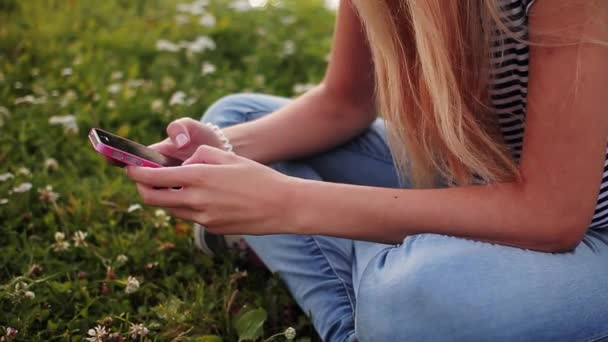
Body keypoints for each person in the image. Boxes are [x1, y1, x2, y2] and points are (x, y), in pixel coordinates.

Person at [124, 0, 608, 340]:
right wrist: (225, 151)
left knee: (409, 296)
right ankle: (376, 300)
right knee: (236, 119)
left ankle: (370, 297)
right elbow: (343, 103)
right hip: (482, 176)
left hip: (585, 231)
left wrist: (290, 202)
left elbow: (552, 215)